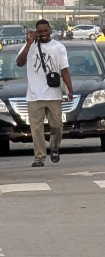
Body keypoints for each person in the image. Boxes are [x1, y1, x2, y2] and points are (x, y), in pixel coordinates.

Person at [15, 19, 73, 168]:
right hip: (34, 96)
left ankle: (54, 147)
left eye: (45, 31)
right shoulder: (30, 46)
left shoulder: (59, 47)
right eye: (40, 32)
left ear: (50, 30)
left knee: (57, 126)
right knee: (36, 130)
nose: (43, 34)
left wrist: (70, 90)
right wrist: (29, 44)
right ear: (36, 32)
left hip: (54, 95)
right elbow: (20, 62)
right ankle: (39, 157)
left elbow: (64, 70)